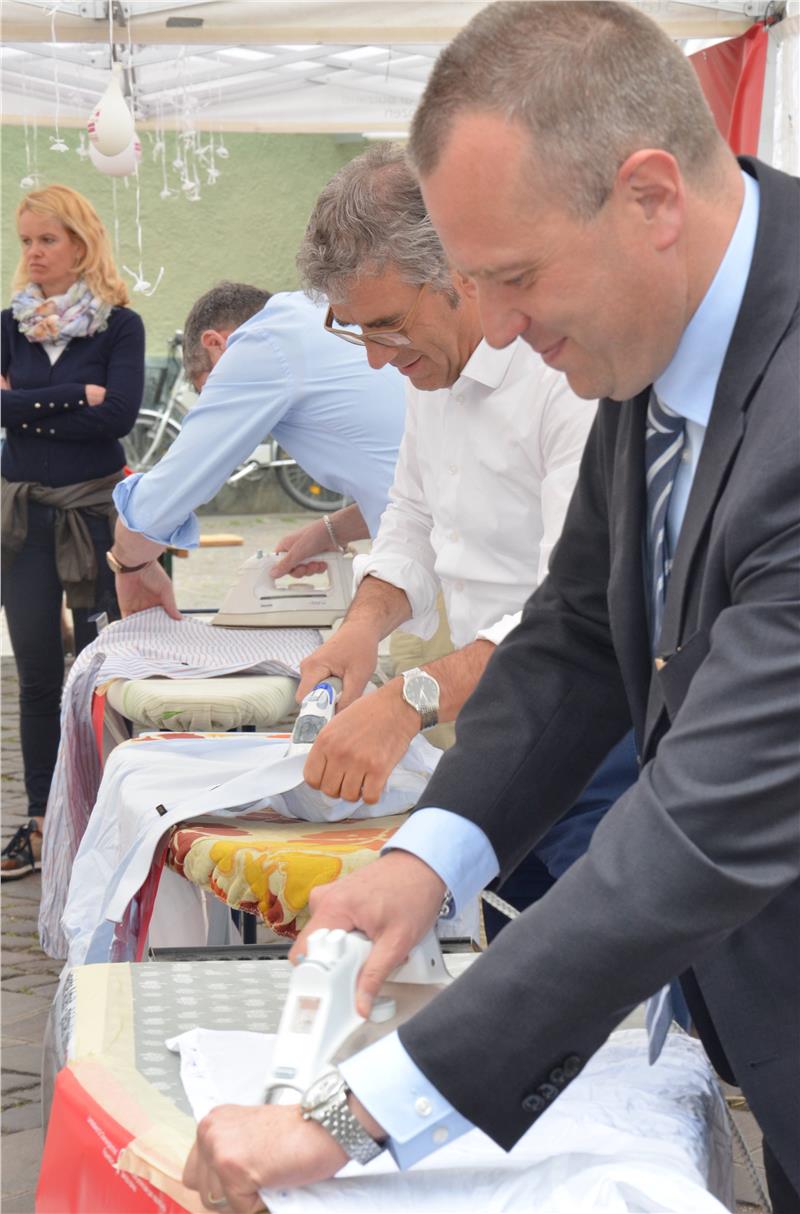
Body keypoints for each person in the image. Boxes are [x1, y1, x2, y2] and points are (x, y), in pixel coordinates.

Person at [181, 3, 799, 1212]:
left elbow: (695, 830)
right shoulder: (664, 321)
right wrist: (427, 858)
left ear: (650, 196)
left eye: (514, 278)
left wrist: (345, 1116)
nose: (502, 328)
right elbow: (577, 631)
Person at [292, 142, 636, 911]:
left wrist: (408, 698)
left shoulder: (567, 377)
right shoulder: (434, 364)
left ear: (459, 272)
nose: (376, 359)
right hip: (501, 726)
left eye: (386, 326)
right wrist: (361, 627)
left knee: (600, 954)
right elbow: (412, 516)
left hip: (597, 734)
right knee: (507, 945)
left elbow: (571, 610)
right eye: (354, 330)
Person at [1, 184, 144, 880]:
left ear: (80, 245)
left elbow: (118, 416)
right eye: (26, 240)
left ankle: (102, 817)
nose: (33, 252)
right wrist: (71, 397)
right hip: (24, 520)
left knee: (98, 672)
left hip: (94, 517)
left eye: (47, 239)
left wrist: (28, 406)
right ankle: (39, 821)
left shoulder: (120, 326)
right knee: (36, 674)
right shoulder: (9, 325)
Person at [109, 283, 405, 617]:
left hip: (436, 557)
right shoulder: (317, 315)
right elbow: (404, 482)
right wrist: (329, 531)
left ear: (214, 343)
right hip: (436, 529)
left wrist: (129, 566)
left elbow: (160, 503)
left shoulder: (261, 343)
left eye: (209, 389)